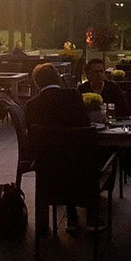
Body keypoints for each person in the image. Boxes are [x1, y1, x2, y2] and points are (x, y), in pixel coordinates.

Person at [24, 63, 94, 233]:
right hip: (78, 162)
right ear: (58, 78)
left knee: (60, 162)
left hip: (48, 164)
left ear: (36, 83)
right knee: (92, 157)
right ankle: (92, 212)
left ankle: (47, 224)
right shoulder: (73, 96)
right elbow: (85, 124)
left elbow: (31, 138)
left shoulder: (32, 105)